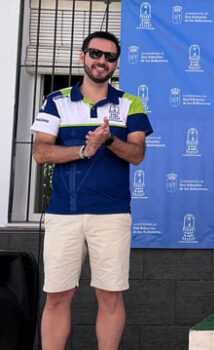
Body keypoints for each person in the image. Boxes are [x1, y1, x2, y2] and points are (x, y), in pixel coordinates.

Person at [31, 31, 152, 350]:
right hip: (62, 214)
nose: (102, 61)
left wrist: (110, 141)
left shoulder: (130, 103)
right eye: (96, 54)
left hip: (112, 214)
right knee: (57, 296)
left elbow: (137, 155)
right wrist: (84, 150)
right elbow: (40, 153)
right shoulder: (55, 100)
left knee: (110, 296)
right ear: (82, 56)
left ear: (116, 64)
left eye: (110, 57)